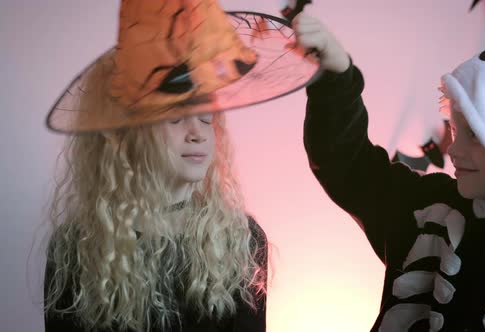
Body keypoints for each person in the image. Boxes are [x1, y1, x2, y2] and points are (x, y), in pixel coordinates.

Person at [294, 12, 485, 331]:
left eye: (475, 134)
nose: (453, 149)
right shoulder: (428, 203)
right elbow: (347, 164)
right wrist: (336, 77)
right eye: (453, 127)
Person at [43, 1, 320, 331]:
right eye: (174, 117)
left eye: (206, 117)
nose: (198, 134)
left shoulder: (239, 240)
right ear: (126, 134)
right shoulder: (77, 247)